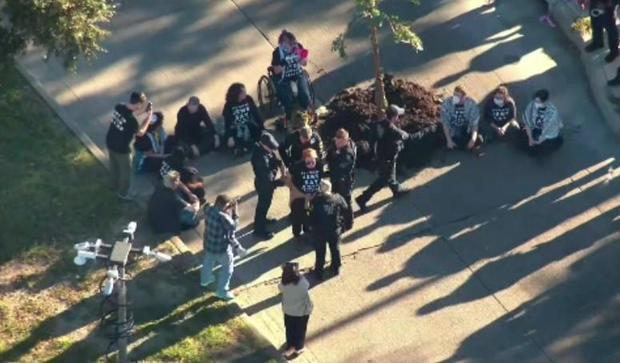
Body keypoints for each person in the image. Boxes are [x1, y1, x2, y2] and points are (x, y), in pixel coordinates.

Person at [355, 105, 411, 211]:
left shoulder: (379, 124)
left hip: (381, 155)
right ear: (394, 117)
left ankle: (396, 190)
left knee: (390, 175)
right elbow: (406, 136)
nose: (399, 118)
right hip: (387, 158)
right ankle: (362, 198)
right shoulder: (393, 130)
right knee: (383, 180)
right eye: (398, 116)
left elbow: (373, 139)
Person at [106, 91, 151, 200]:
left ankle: (113, 185)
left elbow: (113, 120)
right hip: (122, 149)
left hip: (110, 142)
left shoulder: (119, 106)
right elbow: (141, 132)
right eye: (142, 105)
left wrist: (141, 114)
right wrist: (148, 118)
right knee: (126, 172)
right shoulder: (132, 121)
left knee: (114, 166)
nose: (141, 107)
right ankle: (123, 194)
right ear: (138, 104)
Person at [201, 194, 247, 301]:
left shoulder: (208, 208)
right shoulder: (225, 218)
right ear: (224, 206)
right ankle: (222, 291)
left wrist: (227, 207)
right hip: (221, 248)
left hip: (208, 244)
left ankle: (205, 279)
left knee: (208, 262)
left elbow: (211, 206)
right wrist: (235, 211)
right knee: (227, 269)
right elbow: (233, 228)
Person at [310, 180, 351, 280]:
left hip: (320, 231)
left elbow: (312, 215)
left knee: (320, 252)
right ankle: (336, 267)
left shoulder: (316, 200)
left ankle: (319, 272)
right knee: (335, 248)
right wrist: (344, 224)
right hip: (334, 229)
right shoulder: (337, 198)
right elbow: (346, 208)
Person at [251, 131, 286, 240]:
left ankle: (262, 220)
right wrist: (280, 183)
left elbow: (274, 158)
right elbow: (267, 180)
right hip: (264, 185)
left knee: (264, 205)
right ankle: (259, 230)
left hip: (266, 183)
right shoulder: (260, 159)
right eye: (270, 147)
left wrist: (280, 163)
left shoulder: (265, 151)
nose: (272, 149)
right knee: (263, 206)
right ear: (264, 145)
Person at [271, 30, 312, 123]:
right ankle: (288, 117)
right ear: (281, 44)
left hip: (297, 74)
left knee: (305, 95)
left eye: (292, 43)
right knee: (287, 99)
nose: (291, 46)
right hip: (283, 78)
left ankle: (307, 113)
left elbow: (304, 63)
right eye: (288, 44)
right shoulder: (277, 52)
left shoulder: (298, 47)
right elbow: (276, 70)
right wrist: (285, 62)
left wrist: (301, 56)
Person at [288, 148, 323, 242]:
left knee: (311, 216)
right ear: (303, 161)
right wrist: (294, 189)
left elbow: (320, 177)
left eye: (313, 161)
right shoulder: (297, 166)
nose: (311, 165)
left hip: (313, 194)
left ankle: (307, 231)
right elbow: (288, 175)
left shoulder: (320, 164)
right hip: (299, 196)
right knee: (297, 217)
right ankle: (297, 235)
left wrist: (315, 192)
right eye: (308, 163)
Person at [279, 262, 313, 360]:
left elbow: (281, 286)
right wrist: (299, 274)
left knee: (289, 329)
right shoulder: (302, 283)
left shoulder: (283, 285)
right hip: (301, 312)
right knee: (300, 330)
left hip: (288, 311)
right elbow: (307, 284)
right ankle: (298, 347)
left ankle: (290, 345)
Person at [223, 83, 264, 156]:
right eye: (243, 93)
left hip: (247, 124)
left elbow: (256, 114)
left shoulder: (248, 99)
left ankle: (248, 146)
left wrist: (262, 127)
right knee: (233, 141)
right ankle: (240, 148)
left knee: (260, 135)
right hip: (236, 127)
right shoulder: (229, 105)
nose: (245, 94)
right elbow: (227, 122)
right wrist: (229, 136)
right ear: (237, 95)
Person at [326, 128, 356, 228]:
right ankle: (340, 217)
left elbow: (340, 169)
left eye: (340, 141)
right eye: (337, 140)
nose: (337, 143)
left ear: (346, 140)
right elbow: (329, 156)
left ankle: (348, 222)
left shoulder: (348, 154)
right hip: (335, 179)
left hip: (344, 180)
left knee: (345, 200)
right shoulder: (334, 147)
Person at [519, 89, 564, 156]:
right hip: (535, 127)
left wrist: (541, 140)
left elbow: (549, 130)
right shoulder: (532, 105)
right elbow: (527, 121)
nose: (535, 104)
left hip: (547, 131)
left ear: (545, 102)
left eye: (538, 102)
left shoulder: (552, 113)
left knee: (546, 147)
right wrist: (530, 138)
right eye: (535, 101)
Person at [440, 86, 483, 151]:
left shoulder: (471, 104)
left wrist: (473, 139)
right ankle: (456, 144)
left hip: (467, 127)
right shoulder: (447, 103)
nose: (455, 98)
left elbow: (474, 124)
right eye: (454, 95)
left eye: (458, 96)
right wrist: (449, 140)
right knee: (444, 138)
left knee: (479, 139)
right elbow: (445, 123)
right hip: (454, 128)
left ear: (464, 97)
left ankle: (466, 145)